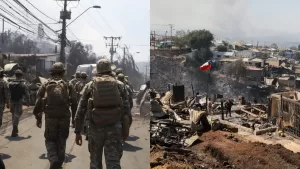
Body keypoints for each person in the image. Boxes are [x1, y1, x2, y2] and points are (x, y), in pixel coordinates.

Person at [74, 59, 129, 169]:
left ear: (97, 71)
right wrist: (125, 131)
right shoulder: (120, 85)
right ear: (110, 70)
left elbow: (80, 110)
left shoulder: (90, 85)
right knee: (113, 162)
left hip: (95, 128)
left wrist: (77, 131)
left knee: (95, 161)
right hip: (114, 128)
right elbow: (126, 110)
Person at [33, 62, 75, 169]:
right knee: (62, 139)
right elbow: (75, 102)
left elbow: (38, 101)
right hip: (64, 117)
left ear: (52, 73)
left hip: (50, 117)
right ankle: (59, 163)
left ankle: (53, 158)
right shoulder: (68, 84)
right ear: (63, 73)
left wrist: (38, 117)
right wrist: (74, 119)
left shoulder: (46, 84)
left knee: (50, 139)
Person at [8, 69, 29, 137]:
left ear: (15, 75)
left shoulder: (10, 83)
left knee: (13, 115)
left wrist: (8, 102)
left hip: (12, 101)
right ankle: (14, 128)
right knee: (17, 115)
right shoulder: (23, 84)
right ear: (21, 75)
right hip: (19, 102)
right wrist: (28, 101)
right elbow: (27, 94)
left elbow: (8, 93)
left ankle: (15, 127)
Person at [74, 72, 89, 140]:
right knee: (87, 115)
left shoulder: (77, 84)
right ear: (86, 77)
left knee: (80, 115)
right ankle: (86, 128)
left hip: (80, 101)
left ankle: (81, 127)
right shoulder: (88, 84)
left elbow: (74, 92)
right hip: (87, 102)